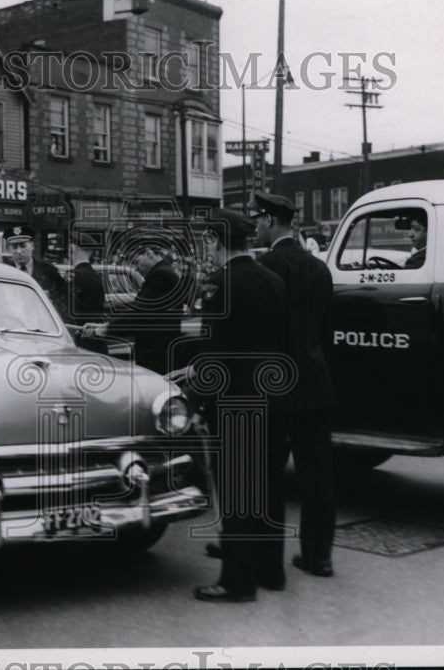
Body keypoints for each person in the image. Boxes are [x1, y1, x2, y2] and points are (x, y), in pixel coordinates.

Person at [190, 207, 288, 602]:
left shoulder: (219, 285)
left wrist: (194, 401)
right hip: (273, 397)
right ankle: (271, 571)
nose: (206, 250)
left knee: (236, 493)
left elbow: (214, 355)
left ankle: (236, 581)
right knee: (267, 487)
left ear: (215, 240)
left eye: (206, 241)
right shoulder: (274, 281)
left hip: (234, 404)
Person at [250, 192, 338, 578]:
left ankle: (268, 560)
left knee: (269, 474)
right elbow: (326, 331)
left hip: (275, 384)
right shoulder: (320, 269)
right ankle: (318, 556)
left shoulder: (267, 265)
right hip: (314, 381)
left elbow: (262, 332)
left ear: (270, 221)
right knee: (317, 474)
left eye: (258, 220)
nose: (256, 226)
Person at [82, 230, 184, 374]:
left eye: (137, 261)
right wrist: (105, 325)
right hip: (159, 350)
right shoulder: (164, 272)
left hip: (157, 353)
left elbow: (139, 313)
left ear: (149, 253)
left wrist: (106, 329)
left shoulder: (160, 275)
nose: (136, 267)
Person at [3, 224, 68, 318]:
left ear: (32, 246)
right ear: (9, 249)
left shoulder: (49, 272)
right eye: (14, 247)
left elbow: (63, 303)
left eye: (23, 246)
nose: (19, 251)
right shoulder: (5, 273)